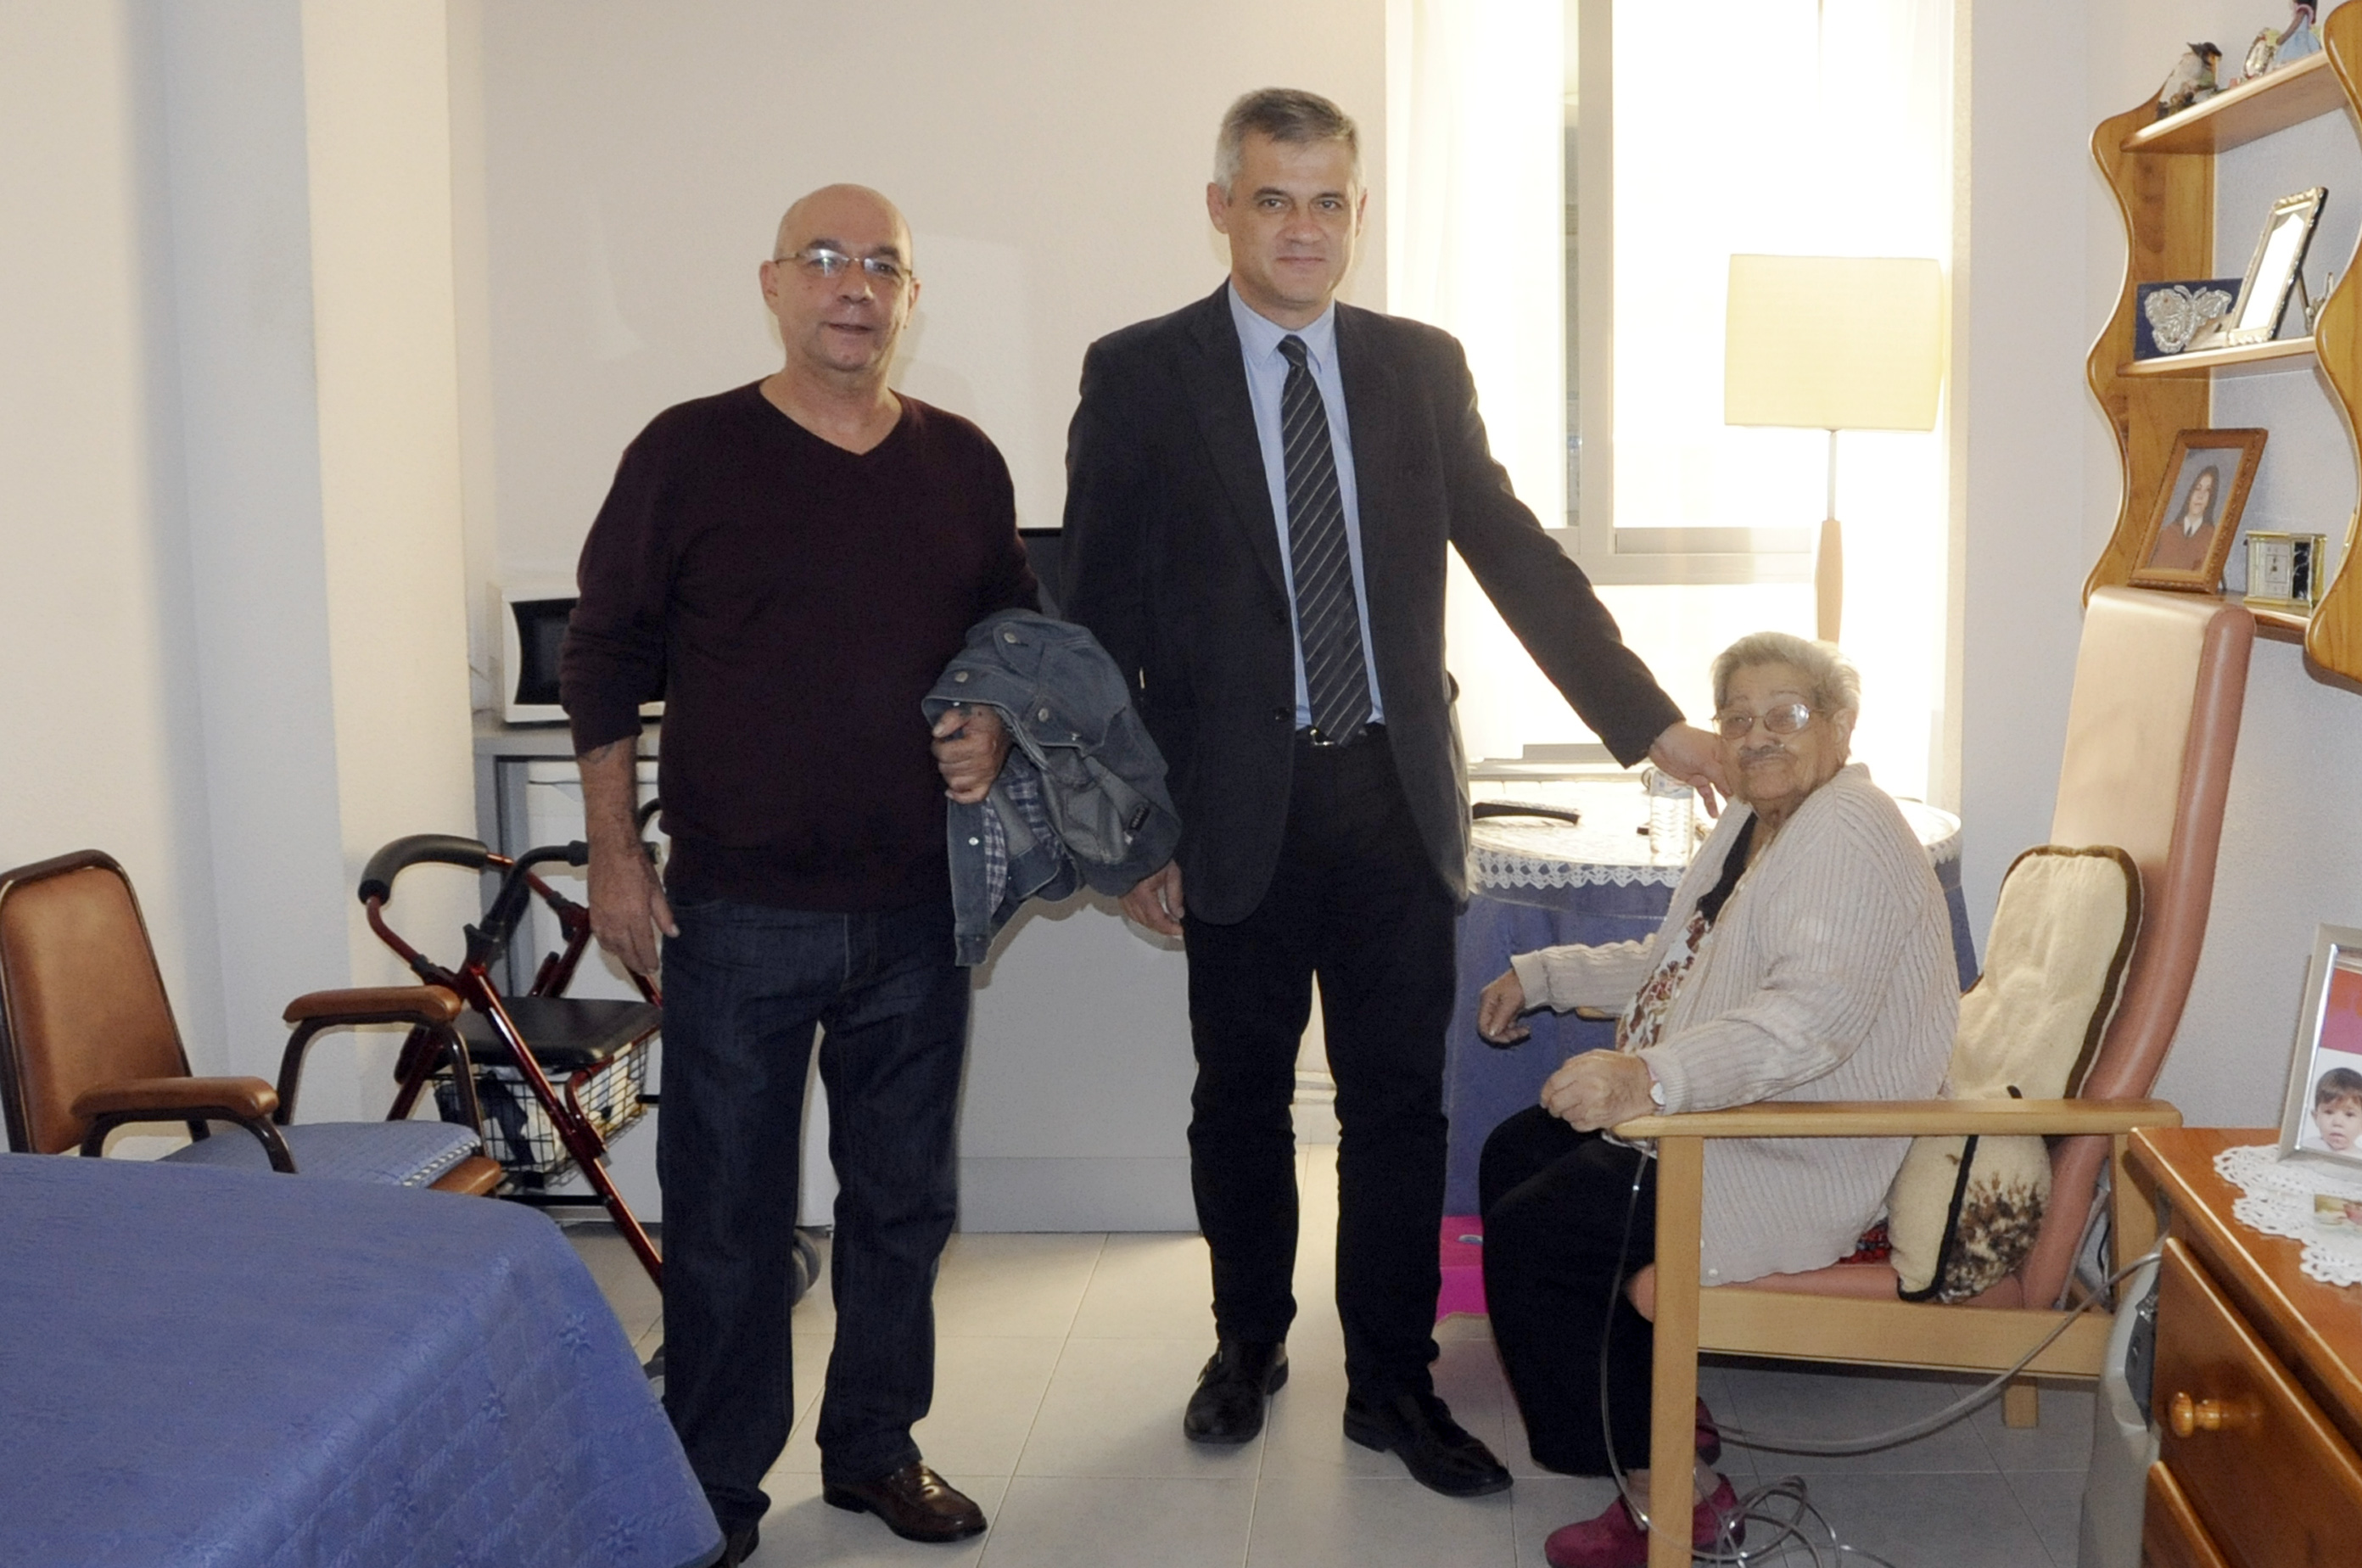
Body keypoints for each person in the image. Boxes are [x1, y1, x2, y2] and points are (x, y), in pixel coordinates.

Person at [1059, 87, 1727, 1499]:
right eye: (1272, 199)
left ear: (1356, 213)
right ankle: (1246, 1343)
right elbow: (1098, 620)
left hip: (1394, 797)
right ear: (1221, 208)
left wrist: (1653, 725)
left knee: (1395, 1109)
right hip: (1228, 809)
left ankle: (1391, 1383)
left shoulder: (1418, 367)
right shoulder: (1140, 374)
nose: (1301, 228)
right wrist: (1128, 833)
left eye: (1326, 202)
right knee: (1240, 1099)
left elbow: (1517, 556)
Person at [561, 184, 1034, 1565]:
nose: (854, 285)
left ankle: (874, 1447)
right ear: (772, 284)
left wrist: (997, 724)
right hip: (737, 911)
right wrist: (612, 853)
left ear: (910, 298)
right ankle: (713, 1485)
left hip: (918, 912)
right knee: (727, 1217)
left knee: (902, 1204)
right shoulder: (687, 452)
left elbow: (1013, 643)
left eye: (882, 264)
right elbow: (603, 653)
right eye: (824, 259)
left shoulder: (964, 465)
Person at [1474, 632, 1956, 1568]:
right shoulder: (1754, 820)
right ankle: (1652, 1407)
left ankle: (1673, 1496)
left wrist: (1651, 1077)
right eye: (1737, 720)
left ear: (1842, 725)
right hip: (1720, 1115)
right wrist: (1545, 975)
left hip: (1796, 1141)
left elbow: (1809, 1023)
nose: (1757, 736)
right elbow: (1681, 965)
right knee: (1517, 1153)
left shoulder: (1849, 830)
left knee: (1548, 1230)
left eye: (1787, 715)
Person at [2146, 463, 2219, 573]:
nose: (2200, 495)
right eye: (2197, 488)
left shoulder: (2212, 538)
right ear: (2190, 493)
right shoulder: (2167, 534)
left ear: (2211, 498)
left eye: (2208, 490)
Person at [2312, 1065, 2362, 1152]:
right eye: (2329, 1112)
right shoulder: (2307, 1148)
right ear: (2316, 1117)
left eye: (2349, 1114)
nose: (2337, 1122)